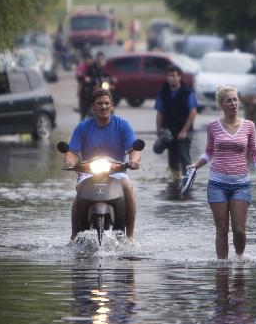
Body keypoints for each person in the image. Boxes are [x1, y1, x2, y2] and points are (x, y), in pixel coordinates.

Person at [189, 86, 256, 259]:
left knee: (239, 230)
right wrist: (196, 165)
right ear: (221, 104)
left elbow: (254, 153)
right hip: (217, 184)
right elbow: (209, 152)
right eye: (228, 100)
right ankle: (222, 268)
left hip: (241, 184)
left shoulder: (249, 126)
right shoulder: (213, 127)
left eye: (235, 99)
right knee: (222, 229)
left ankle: (239, 260)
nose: (233, 103)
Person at [64, 88, 142, 240]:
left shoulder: (123, 125)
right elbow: (71, 152)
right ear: (93, 106)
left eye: (107, 103)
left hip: (117, 171)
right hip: (89, 171)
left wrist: (133, 160)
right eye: (99, 103)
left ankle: (131, 236)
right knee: (79, 190)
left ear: (112, 105)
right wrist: (70, 162)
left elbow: (134, 149)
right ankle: (74, 236)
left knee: (128, 187)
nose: (103, 107)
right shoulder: (82, 127)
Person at [155, 64, 198, 181]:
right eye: (168, 75)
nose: (171, 78)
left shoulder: (187, 92)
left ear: (179, 77)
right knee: (172, 158)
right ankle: (175, 182)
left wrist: (184, 131)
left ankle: (188, 180)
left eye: (173, 75)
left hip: (185, 130)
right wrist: (159, 131)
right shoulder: (163, 92)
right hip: (169, 131)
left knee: (184, 156)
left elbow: (193, 112)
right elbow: (160, 113)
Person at [77, 51, 111, 119]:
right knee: (86, 94)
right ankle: (84, 115)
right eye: (99, 58)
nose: (100, 60)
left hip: (101, 88)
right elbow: (85, 77)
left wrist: (112, 79)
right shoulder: (92, 67)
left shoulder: (104, 68)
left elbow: (108, 75)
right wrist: (87, 79)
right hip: (91, 87)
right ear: (96, 58)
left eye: (102, 58)